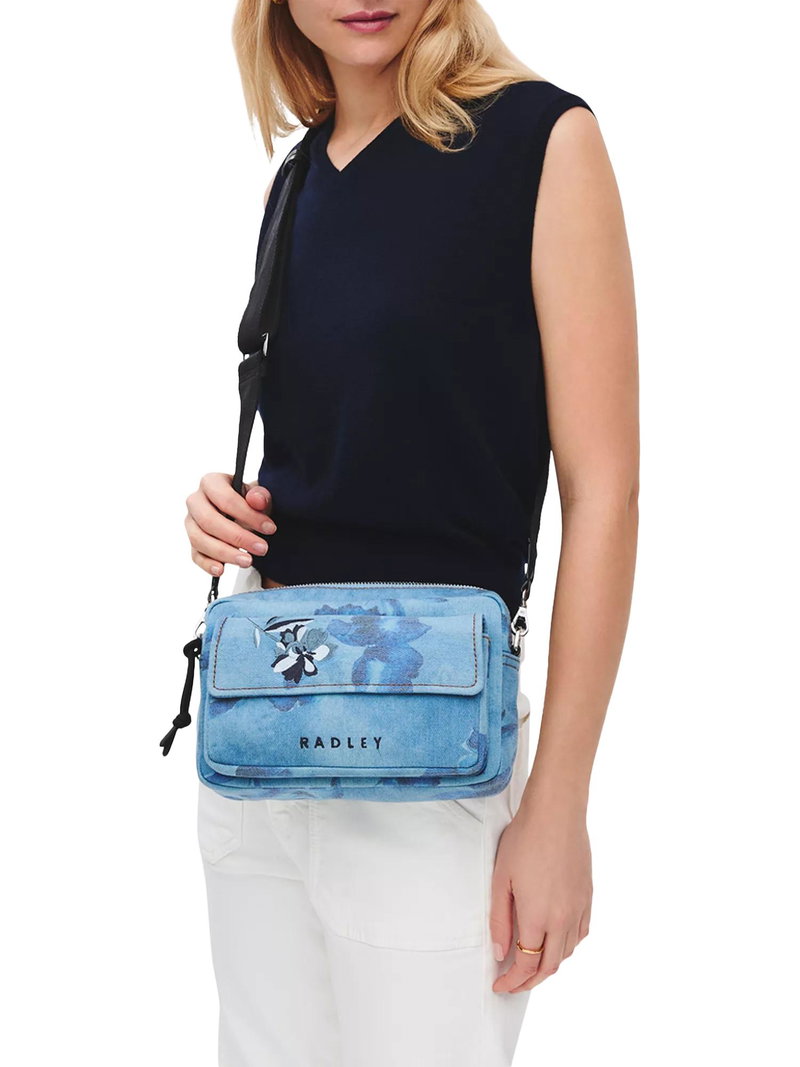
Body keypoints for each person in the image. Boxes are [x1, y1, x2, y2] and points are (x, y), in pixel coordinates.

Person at [183, 1, 639, 1064]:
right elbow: (348, 442)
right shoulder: (298, 175)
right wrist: (225, 507)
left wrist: (558, 802)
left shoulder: (540, 140)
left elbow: (605, 491)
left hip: (437, 747)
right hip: (263, 726)